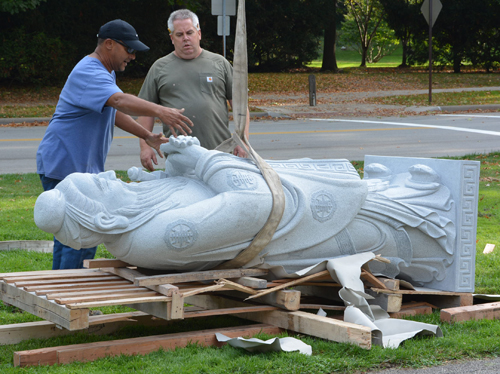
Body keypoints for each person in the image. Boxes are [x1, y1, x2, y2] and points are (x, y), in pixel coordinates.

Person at [34, 135, 456, 287]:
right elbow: (253, 205)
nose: (108, 176)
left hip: (302, 206)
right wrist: (203, 160)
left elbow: (194, 192)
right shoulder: (153, 238)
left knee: (370, 193)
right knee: (386, 217)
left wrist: (178, 165)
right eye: (98, 185)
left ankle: (404, 194)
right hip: (303, 230)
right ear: (101, 219)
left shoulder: (134, 213)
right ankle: (432, 220)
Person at [36, 19, 194, 270]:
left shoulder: (104, 72)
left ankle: (60, 299)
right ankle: (70, 301)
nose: (132, 56)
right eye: (128, 49)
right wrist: (160, 110)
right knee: (82, 234)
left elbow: (112, 111)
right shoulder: (89, 71)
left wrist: (147, 135)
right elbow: (119, 101)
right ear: (109, 44)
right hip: (64, 162)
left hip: (74, 165)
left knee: (69, 234)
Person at [136, 9, 249, 172]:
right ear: (172, 38)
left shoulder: (220, 63)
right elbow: (145, 111)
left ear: (199, 33)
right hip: (179, 159)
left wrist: (242, 140)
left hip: (220, 156)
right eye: (179, 35)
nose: (186, 38)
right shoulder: (159, 68)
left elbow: (240, 106)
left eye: (190, 32)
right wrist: (145, 147)